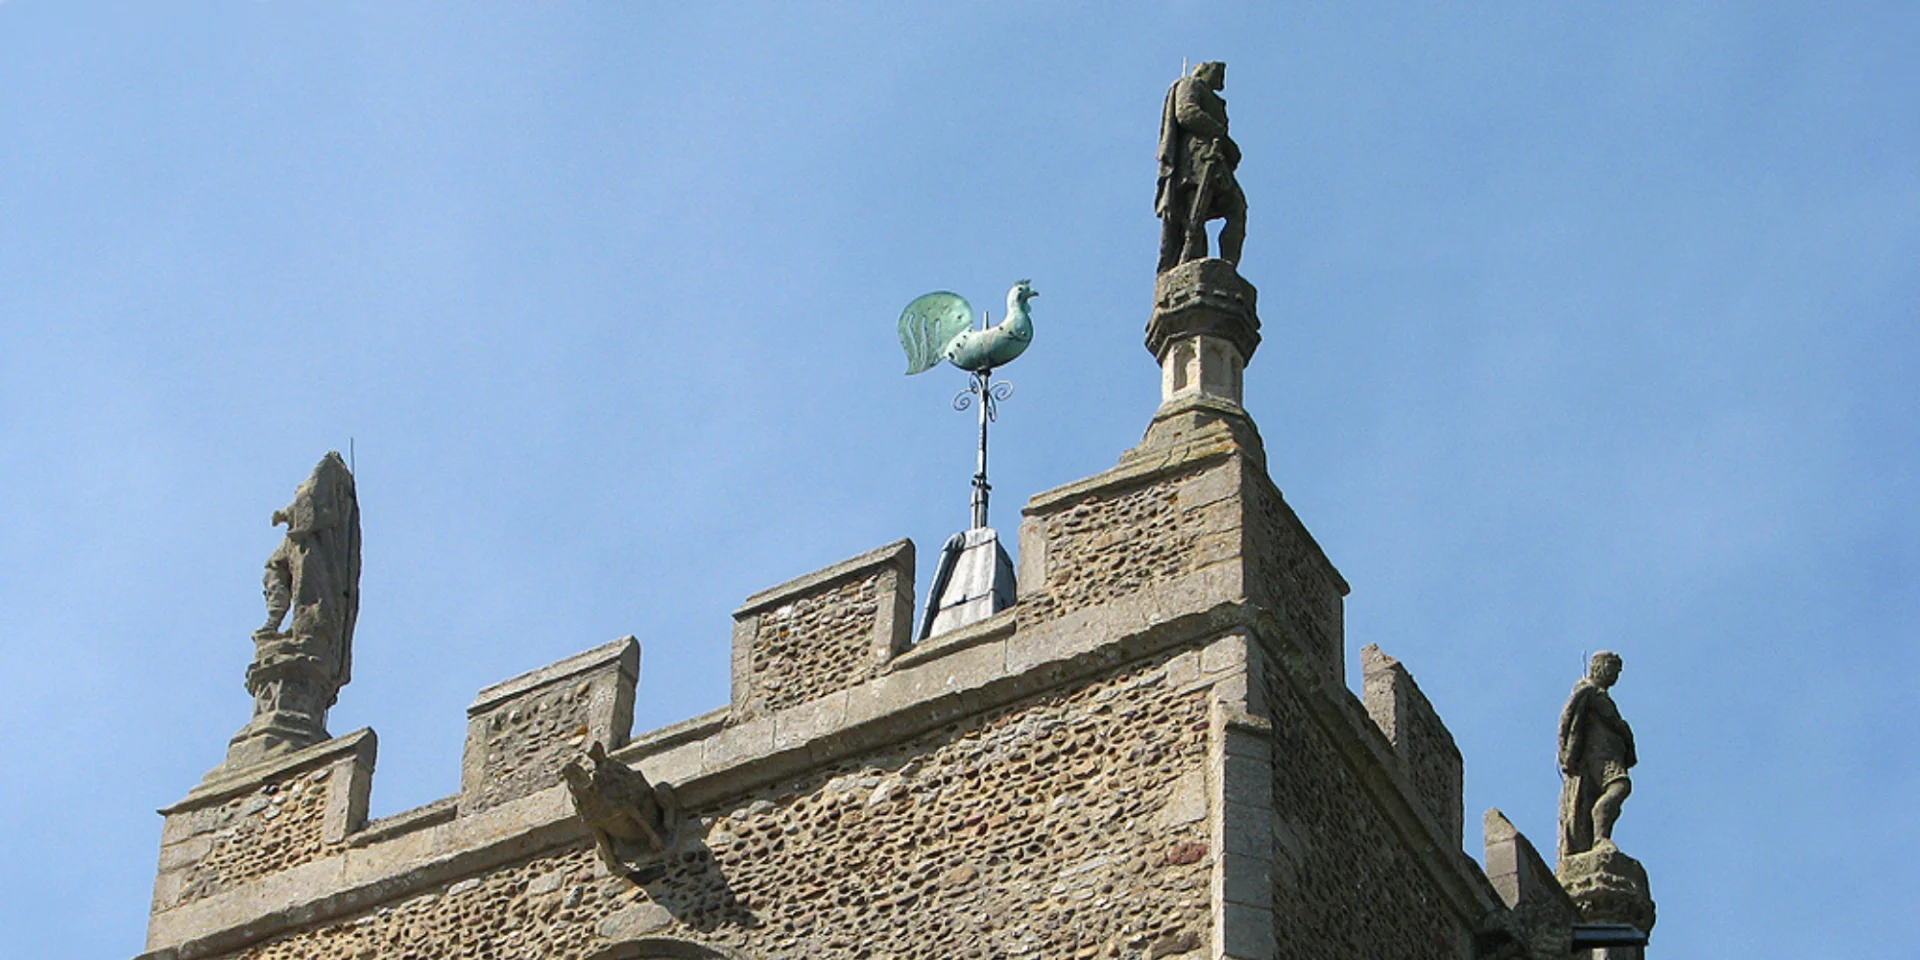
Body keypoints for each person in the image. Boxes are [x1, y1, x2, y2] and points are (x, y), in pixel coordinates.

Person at [1155, 61, 1248, 273]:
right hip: (1196, 158)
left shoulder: (1215, 99)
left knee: (1237, 209)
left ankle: (1227, 268)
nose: (1221, 80)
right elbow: (1186, 113)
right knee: (1194, 213)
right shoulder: (1191, 84)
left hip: (1215, 158)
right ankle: (1192, 265)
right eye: (1218, 74)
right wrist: (1220, 135)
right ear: (1205, 70)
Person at [1557, 651, 1636, 861]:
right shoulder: (1590, 692)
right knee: (1619, 787)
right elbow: (1575, 722)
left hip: (1609, 754)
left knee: (1609, 794)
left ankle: (1599, 835)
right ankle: (1600, 837)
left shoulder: (1599, 694)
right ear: (1600, 667)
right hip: (1599, 756)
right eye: (1613, 669)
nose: (1615, 676)